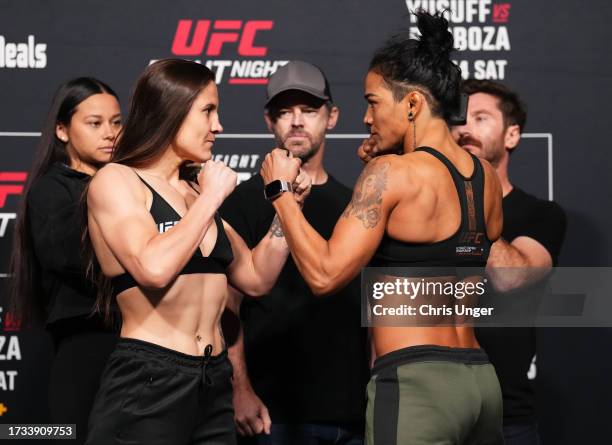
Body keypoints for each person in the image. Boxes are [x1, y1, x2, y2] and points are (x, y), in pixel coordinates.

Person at [260, 11, 505, 445]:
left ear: (411, 104)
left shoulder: (391, 173)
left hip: (417, 387)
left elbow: (324, 274)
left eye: (373, 103)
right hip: (480, 383)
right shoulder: (484, 177)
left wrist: (280, 192)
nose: (368, 119)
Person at [84, 59, 310, 445]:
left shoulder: (194, 192)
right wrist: (212, 198)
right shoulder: (117, 181)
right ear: (171, 110)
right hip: (150, 379)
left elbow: (257, 278)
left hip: (214, 382)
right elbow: (152, 268)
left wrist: (290, 207)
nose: (218, 126)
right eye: (207, 111)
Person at [219, 61, 369, 444]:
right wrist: (240, 389)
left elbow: (373, 304)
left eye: (309, 110)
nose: (297, 121)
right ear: (269, 120)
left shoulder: (355, 204)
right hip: (271, 412)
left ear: (331, 117)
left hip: (349, 410)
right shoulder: (240, 202)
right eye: (285, 112)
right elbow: (227, 307)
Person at [451, 79, 567, 445]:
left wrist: (468, 200)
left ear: (512, 135)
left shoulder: (541, 215)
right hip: (430, 408)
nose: (466, 129)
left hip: (505, 414)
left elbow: (510, 276)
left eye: (481, 118)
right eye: (459, 120)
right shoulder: (421, 212)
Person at [7, 77, 122, 444]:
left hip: (136, 348)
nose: (109, 133)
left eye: (117, 122)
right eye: (95, 123)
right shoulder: (50, 191)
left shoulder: (128, 186)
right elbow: (73, 258)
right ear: (62, 130)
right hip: (85, 346)